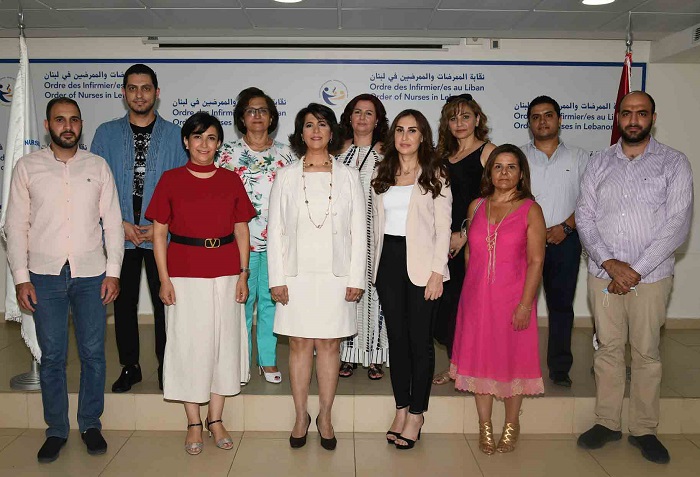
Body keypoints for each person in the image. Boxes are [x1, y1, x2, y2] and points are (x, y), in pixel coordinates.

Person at [576, 91, 693, 464]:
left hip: (651, 277)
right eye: (626, 113)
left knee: (646, 353)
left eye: (641, 114)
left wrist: (635, 270)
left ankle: (644, 428)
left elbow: (677, 225)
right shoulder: (599, 163)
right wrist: (611, 264)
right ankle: (607, 422)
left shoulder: (674, 163)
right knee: (607, 349)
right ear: (617, 116)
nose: (633, 120)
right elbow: (584, 217)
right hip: (602, 273)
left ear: (652, 118)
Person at [5, 97, 124, 463]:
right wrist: (22, 279)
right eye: (60, 120)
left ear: (81, 124)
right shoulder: (28, 168)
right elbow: (15, 226)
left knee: (93, 355)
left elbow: (114, 225)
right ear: (47, 125)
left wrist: (115, 272)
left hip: (92, 275)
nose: (67, 126)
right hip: (44, 276)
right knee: (53, 356)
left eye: (73, 120)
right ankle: (56, 430)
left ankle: (89, 424)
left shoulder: (98, 166)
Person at [146, 112, 256, 455]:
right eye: (197, 137)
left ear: (219, 143)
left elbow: (241, 228)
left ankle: (216, 418)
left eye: (210, 137)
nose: (203, 144)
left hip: (225, 272)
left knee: (224, 343)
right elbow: (159, 232)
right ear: (186, 142)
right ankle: (194, 421)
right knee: (189, 345)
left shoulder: (231, 180)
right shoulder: (170, 179)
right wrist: (164, 278)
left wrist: (243, 272)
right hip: (184, 273)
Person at [267, 103, 366, 451]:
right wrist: (276, 278)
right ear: (300, 133)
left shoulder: (349, 176)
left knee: (328, 344)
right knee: (298, 345)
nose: (316, 131)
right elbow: (275, 230)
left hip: (336, 276)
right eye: (309, 125)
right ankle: (300, 415)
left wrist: (356, 276)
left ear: (331, 131)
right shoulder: (286, 175)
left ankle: (324, 415)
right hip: (295, 276)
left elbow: (358, 231)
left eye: (322, 124)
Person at [91, 63, 187, 393]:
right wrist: (119, 224)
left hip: (164, 236)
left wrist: (163, 224)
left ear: (157, 93)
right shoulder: (105, 133)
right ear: (123, 93)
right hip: (121, 235)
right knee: (124, 303)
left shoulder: (177, 135)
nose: (139, 94)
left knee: (166, 305)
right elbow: (95, 187)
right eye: (132, 88)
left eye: (146, 88)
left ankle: (166, 367)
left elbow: (185, 186)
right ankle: (129, 367)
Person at [451, 144, 546, 455]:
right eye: (498, 167)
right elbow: (469, 253)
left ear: (521, 174)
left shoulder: (530, 209)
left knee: (512, 361)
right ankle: (485, 425)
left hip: (513, 302)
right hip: (477, 301)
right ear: (489, 172)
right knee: (480, 362)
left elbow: (536, 261)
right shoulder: (476, 206)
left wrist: (525, 305)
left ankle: (511, 423)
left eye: (511, 167)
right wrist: (470, 292)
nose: (504, 173)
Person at [371, 109, 452, 450]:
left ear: (423, 137)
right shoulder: (382, 170)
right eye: (400, 130)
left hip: (423, 266)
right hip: (388, 262)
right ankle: (401, 407)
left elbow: (443, 226)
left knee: (420, 342)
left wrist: (437, 272)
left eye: (413, 130)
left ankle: (418, 413)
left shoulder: (435, 172)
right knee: (398, 342)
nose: (405, 136)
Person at [217, 87, 295, 384]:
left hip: (276, 245)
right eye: (251, 110)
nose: (257, 115)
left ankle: (268, 360)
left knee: (269, 304)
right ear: (241, 117)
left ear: (272, 116)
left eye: (263, 110)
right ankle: (239, 363)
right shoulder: (226, 154)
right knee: (240, 305)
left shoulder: (286, 155)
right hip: (238, 245)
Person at [521, 95, 589, 388]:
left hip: (565, 240)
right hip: (523, 244)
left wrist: (566, 226)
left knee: (561, 306)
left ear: (559, 119)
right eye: (535, 117)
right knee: (521, 305)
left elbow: (589, 201)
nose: (542, 121)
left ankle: (560, 367)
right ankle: (520, 363)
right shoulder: (518, 157)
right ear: (529, 123)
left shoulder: (580, 158)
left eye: (548, 115)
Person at [432, 94, 495, 386]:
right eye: (453, 118)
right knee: (447, 309)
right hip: (442, 243)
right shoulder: (441, 156)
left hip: (474, 243)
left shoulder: (488, 152)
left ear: (477, 120)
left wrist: (466, 235)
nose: (459, 123)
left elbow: (497, 200)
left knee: (468, 307)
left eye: (465, 117)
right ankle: (458, 365)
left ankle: (466, 368)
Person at [335, 93, 390, 380]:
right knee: (345, 296)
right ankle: (346, 355)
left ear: (377, 120)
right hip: (341, 240)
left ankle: (375, 356)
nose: (363, 118)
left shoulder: (388, 156)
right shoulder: (337, 155)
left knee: (376, 296)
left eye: (369, 113)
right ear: (349, 117)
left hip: (376, 239)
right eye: (357, 112)